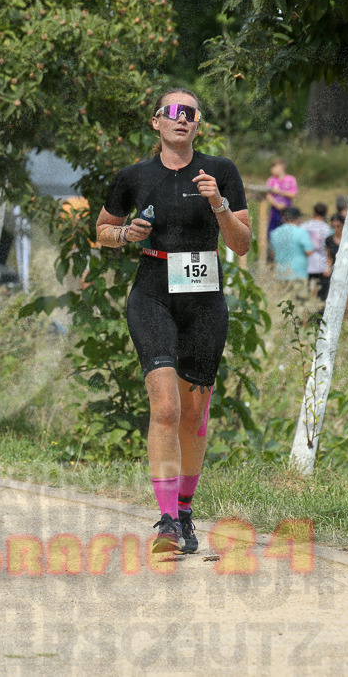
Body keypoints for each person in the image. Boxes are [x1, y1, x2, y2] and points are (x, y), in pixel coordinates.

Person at [94, 89, 251, 554]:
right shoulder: (134, 176)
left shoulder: (221, 172)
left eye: (191, 113)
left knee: (195, 413)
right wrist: (125, 233)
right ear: (156, 122)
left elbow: (242, 245)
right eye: (173, 112)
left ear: (198, 124)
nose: (181, 119)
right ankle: (165, 522)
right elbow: (102, 231)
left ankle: (184, 511)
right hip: (152, 291)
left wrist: (219, 204)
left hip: (204, 298)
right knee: (165, 406)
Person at [323, 212, 348, 316]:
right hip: (336, 272)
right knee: (336, 299)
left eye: (338, 226)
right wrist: (328, 268)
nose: (336, 228)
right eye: (333, 226)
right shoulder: (329, 240)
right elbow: (329, 256)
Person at [270, 207, 314, 284]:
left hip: (280, 274)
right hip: (298, 274)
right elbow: (309, 252)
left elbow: (272, 253)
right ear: (298, 218)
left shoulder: (274, 233)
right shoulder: (302, 232)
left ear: (283, 218)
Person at [302, 203, 333, 299]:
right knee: (321, 297)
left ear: (314, 212)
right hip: (322, 266)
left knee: (306, 296)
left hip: (306, 265)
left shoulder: (304, 226)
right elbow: (330, 249)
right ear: (326, 213)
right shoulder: (328, 229)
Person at [265, 157, 297, 238]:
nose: (272, 169)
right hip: (274, 211)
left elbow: (293, 194)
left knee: (287, 234)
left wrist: (279, 192)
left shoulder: (291, 179)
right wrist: (277, 204)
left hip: (287, 210)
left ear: (282, 167)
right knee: (272, 234)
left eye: (274, 167)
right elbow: (268, 195)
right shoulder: (271, 180)